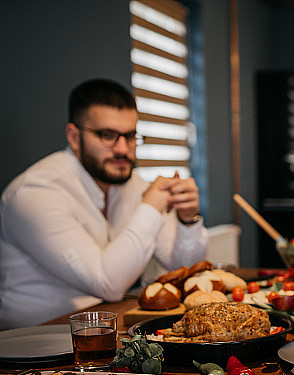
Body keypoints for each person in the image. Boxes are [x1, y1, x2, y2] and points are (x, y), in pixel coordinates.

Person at [0, 78, 207, 329]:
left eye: (130, 136)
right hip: (37, 336)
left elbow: (183, 267)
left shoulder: (133, 185)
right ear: (74, 136)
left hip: (108, 325)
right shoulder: (34, 192)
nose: (123, 149)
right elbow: (107, 284)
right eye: (107, 136)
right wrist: (151, 206)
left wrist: (188, 219)